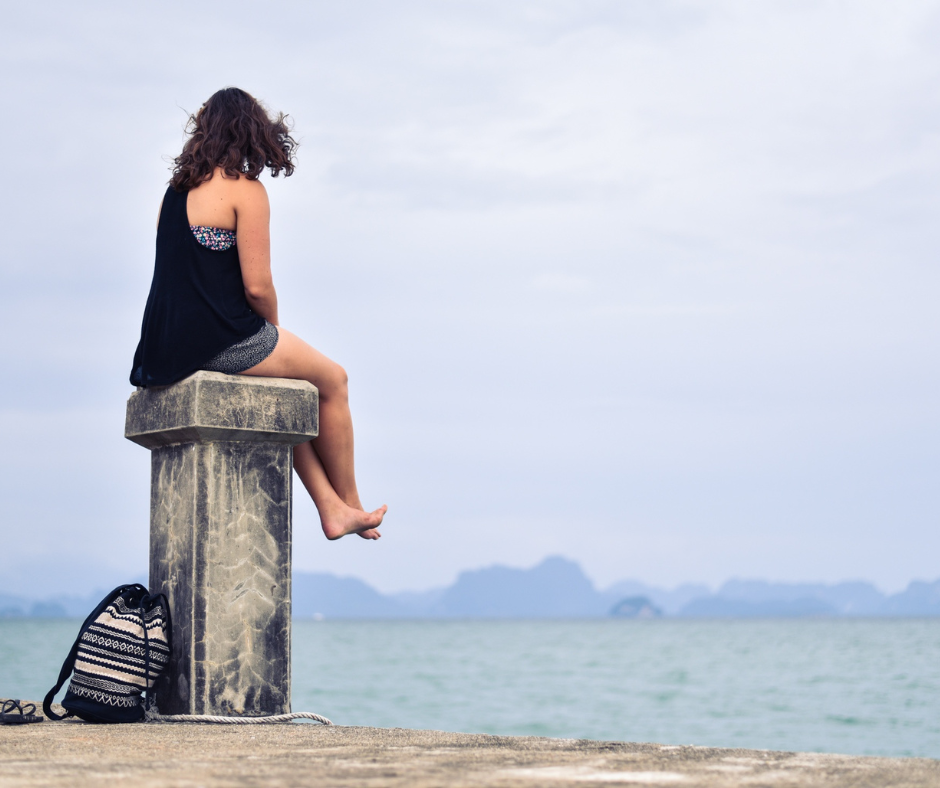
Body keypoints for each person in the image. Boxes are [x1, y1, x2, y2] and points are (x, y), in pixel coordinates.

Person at [130, 87, 386, 541]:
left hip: (165, 346)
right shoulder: (246, 191)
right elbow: (257, 286)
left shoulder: (173, 195)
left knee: (284, 392)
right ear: (251, 132)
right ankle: (350, 504)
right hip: (219, 338)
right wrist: (271, 332)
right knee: (334, 380)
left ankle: (329, 508)